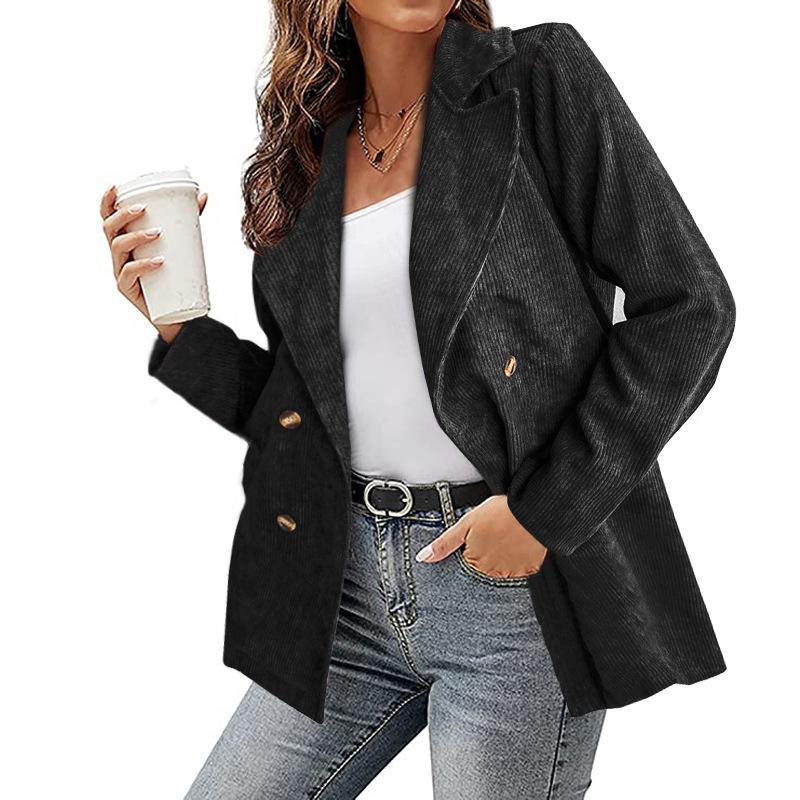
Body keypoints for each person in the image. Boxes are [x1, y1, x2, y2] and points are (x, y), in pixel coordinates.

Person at [99, 1, 736, 797]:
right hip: (347, 590)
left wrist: (543, 513)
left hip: (509, 597)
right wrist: (181, 333)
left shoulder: (535, 80)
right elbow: (304, 421)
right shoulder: (309, 159)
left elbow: (690, 307)